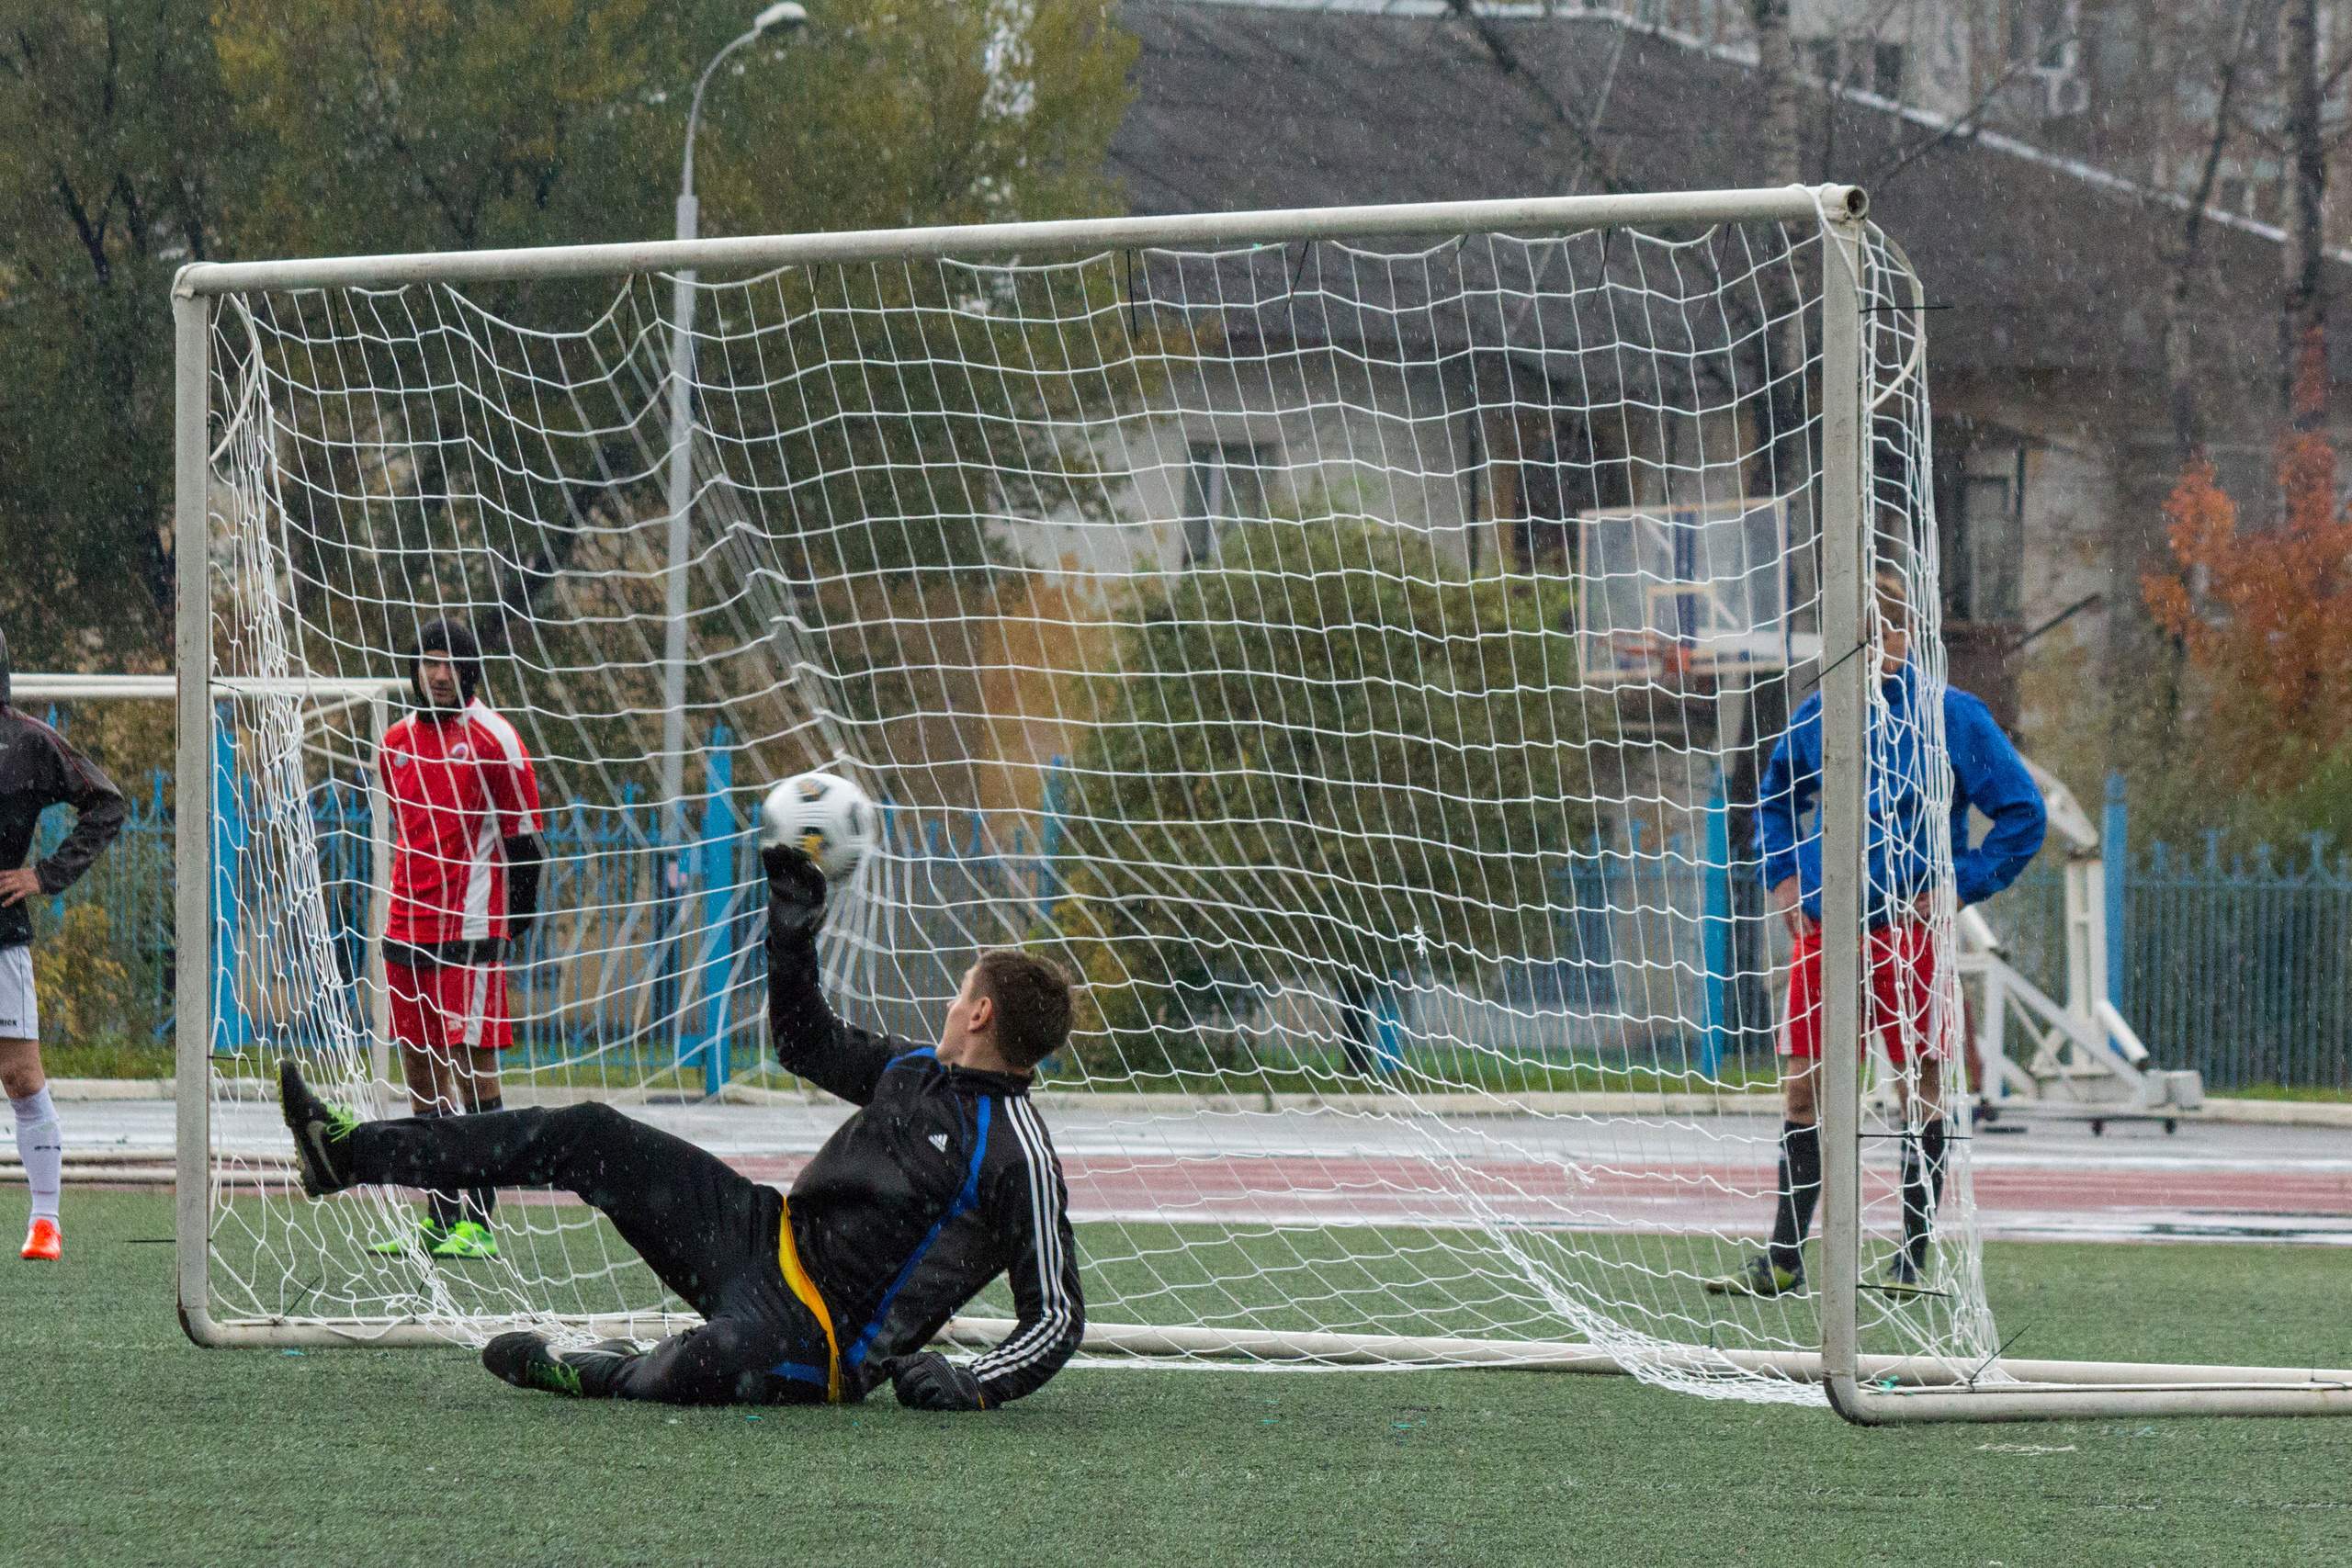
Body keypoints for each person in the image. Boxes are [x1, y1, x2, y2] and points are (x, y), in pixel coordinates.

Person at [278, 841, 1084, 1410]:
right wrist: (792, 932)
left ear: (979, 1013)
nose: (948, 1003)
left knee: (701, 1366)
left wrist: (974, 1380)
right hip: (760, 1231)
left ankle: (588, 1371)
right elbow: (806, 1043)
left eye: (959, 994)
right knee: (591, 1131)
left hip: (816, 1340)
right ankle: (345, 1153)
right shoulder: (915, 1069)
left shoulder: (1020, 1155)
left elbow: (1055, 1314)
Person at [1708, 569, 2046, 1300]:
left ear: (1906, 634)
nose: (1868, 652)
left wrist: (1961, 881)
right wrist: (1787, 878)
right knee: (1802, 1091)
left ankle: (1911, 1255)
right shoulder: (1819, 712)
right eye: (1853, 639)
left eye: (1880, 635)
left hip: (1909, 934)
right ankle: (1783, 1256)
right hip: (1827, 937)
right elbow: (1771, 802)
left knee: (1918, 1088)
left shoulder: (1953, 716)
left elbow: (2024, 815)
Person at [372, 619, 544, 1260]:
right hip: (404, 928)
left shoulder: (497, 738)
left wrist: (513, 928)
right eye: (427, 661)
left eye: (449, 662)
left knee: (470, 1063)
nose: (437, 673)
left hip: (470, 929)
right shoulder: (393, 743)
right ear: (414, 667)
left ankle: (482, 1216)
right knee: (419, 1068)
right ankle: (439, 1214)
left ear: (469, 670)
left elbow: (526, 844)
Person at [0, 628, 129, 1261]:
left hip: (1, 939)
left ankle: (45, 1220)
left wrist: (43, 874)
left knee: (20, 1075)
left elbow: (106, 803)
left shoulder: (27, 742)